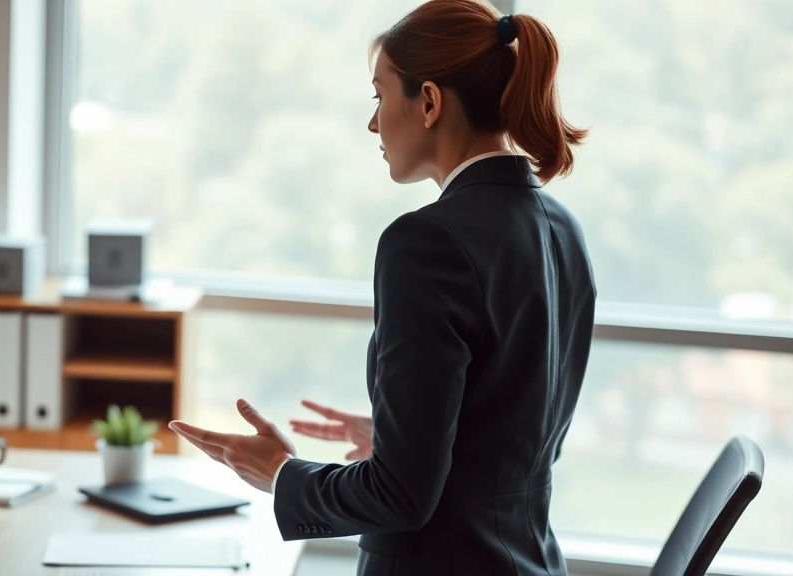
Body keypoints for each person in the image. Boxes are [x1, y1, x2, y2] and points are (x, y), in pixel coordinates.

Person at [170, 0, 596, 573]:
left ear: (429, 101)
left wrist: (280, 475)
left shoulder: (426, 243)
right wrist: (399, 436)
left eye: (379, 96)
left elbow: (401, 497)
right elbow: (512, 436)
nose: (373, 122)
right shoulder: (562, 227)